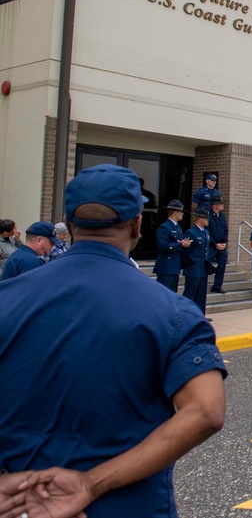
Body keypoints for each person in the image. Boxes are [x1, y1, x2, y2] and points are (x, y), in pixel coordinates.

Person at [0, 164, 226, 517]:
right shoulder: (174, 312)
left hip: (17, 504)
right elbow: (206, 412)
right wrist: (91, 484)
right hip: (131, 506)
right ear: (137, 225)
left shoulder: (6, 299)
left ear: (69, 225)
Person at [153, 200, 191, 292]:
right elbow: (163, 246)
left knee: (172, 294)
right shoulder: (165, 227)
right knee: (164, 294)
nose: (182, 214)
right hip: (166, 267)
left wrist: (184, 244)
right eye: (181, 212)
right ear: (175, 213)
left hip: (174, 266)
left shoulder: (177, 227)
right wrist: (180, 245)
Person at [182, 208, 212, 315]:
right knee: (190, 294)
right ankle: (186, 315)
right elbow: (186, 252)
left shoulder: (206, 232)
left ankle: (199, 315)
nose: (208, 220)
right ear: (199, 218)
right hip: (193, 268)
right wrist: (191, 263)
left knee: (201, 294)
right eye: (206, 218)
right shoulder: (191, 232)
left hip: (203, 268)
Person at [207, 195, 229, 293]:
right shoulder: (208, 216)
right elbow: (207, 232)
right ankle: (202, 282)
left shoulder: (222, 216)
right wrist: (215, 244)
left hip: (221, 245)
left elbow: (225, 230)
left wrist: (224, 243)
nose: (222, 205)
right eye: (220, 203)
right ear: (214, 205)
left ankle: (217, 285)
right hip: (212, 245)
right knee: (206, 263)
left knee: (222, 264)